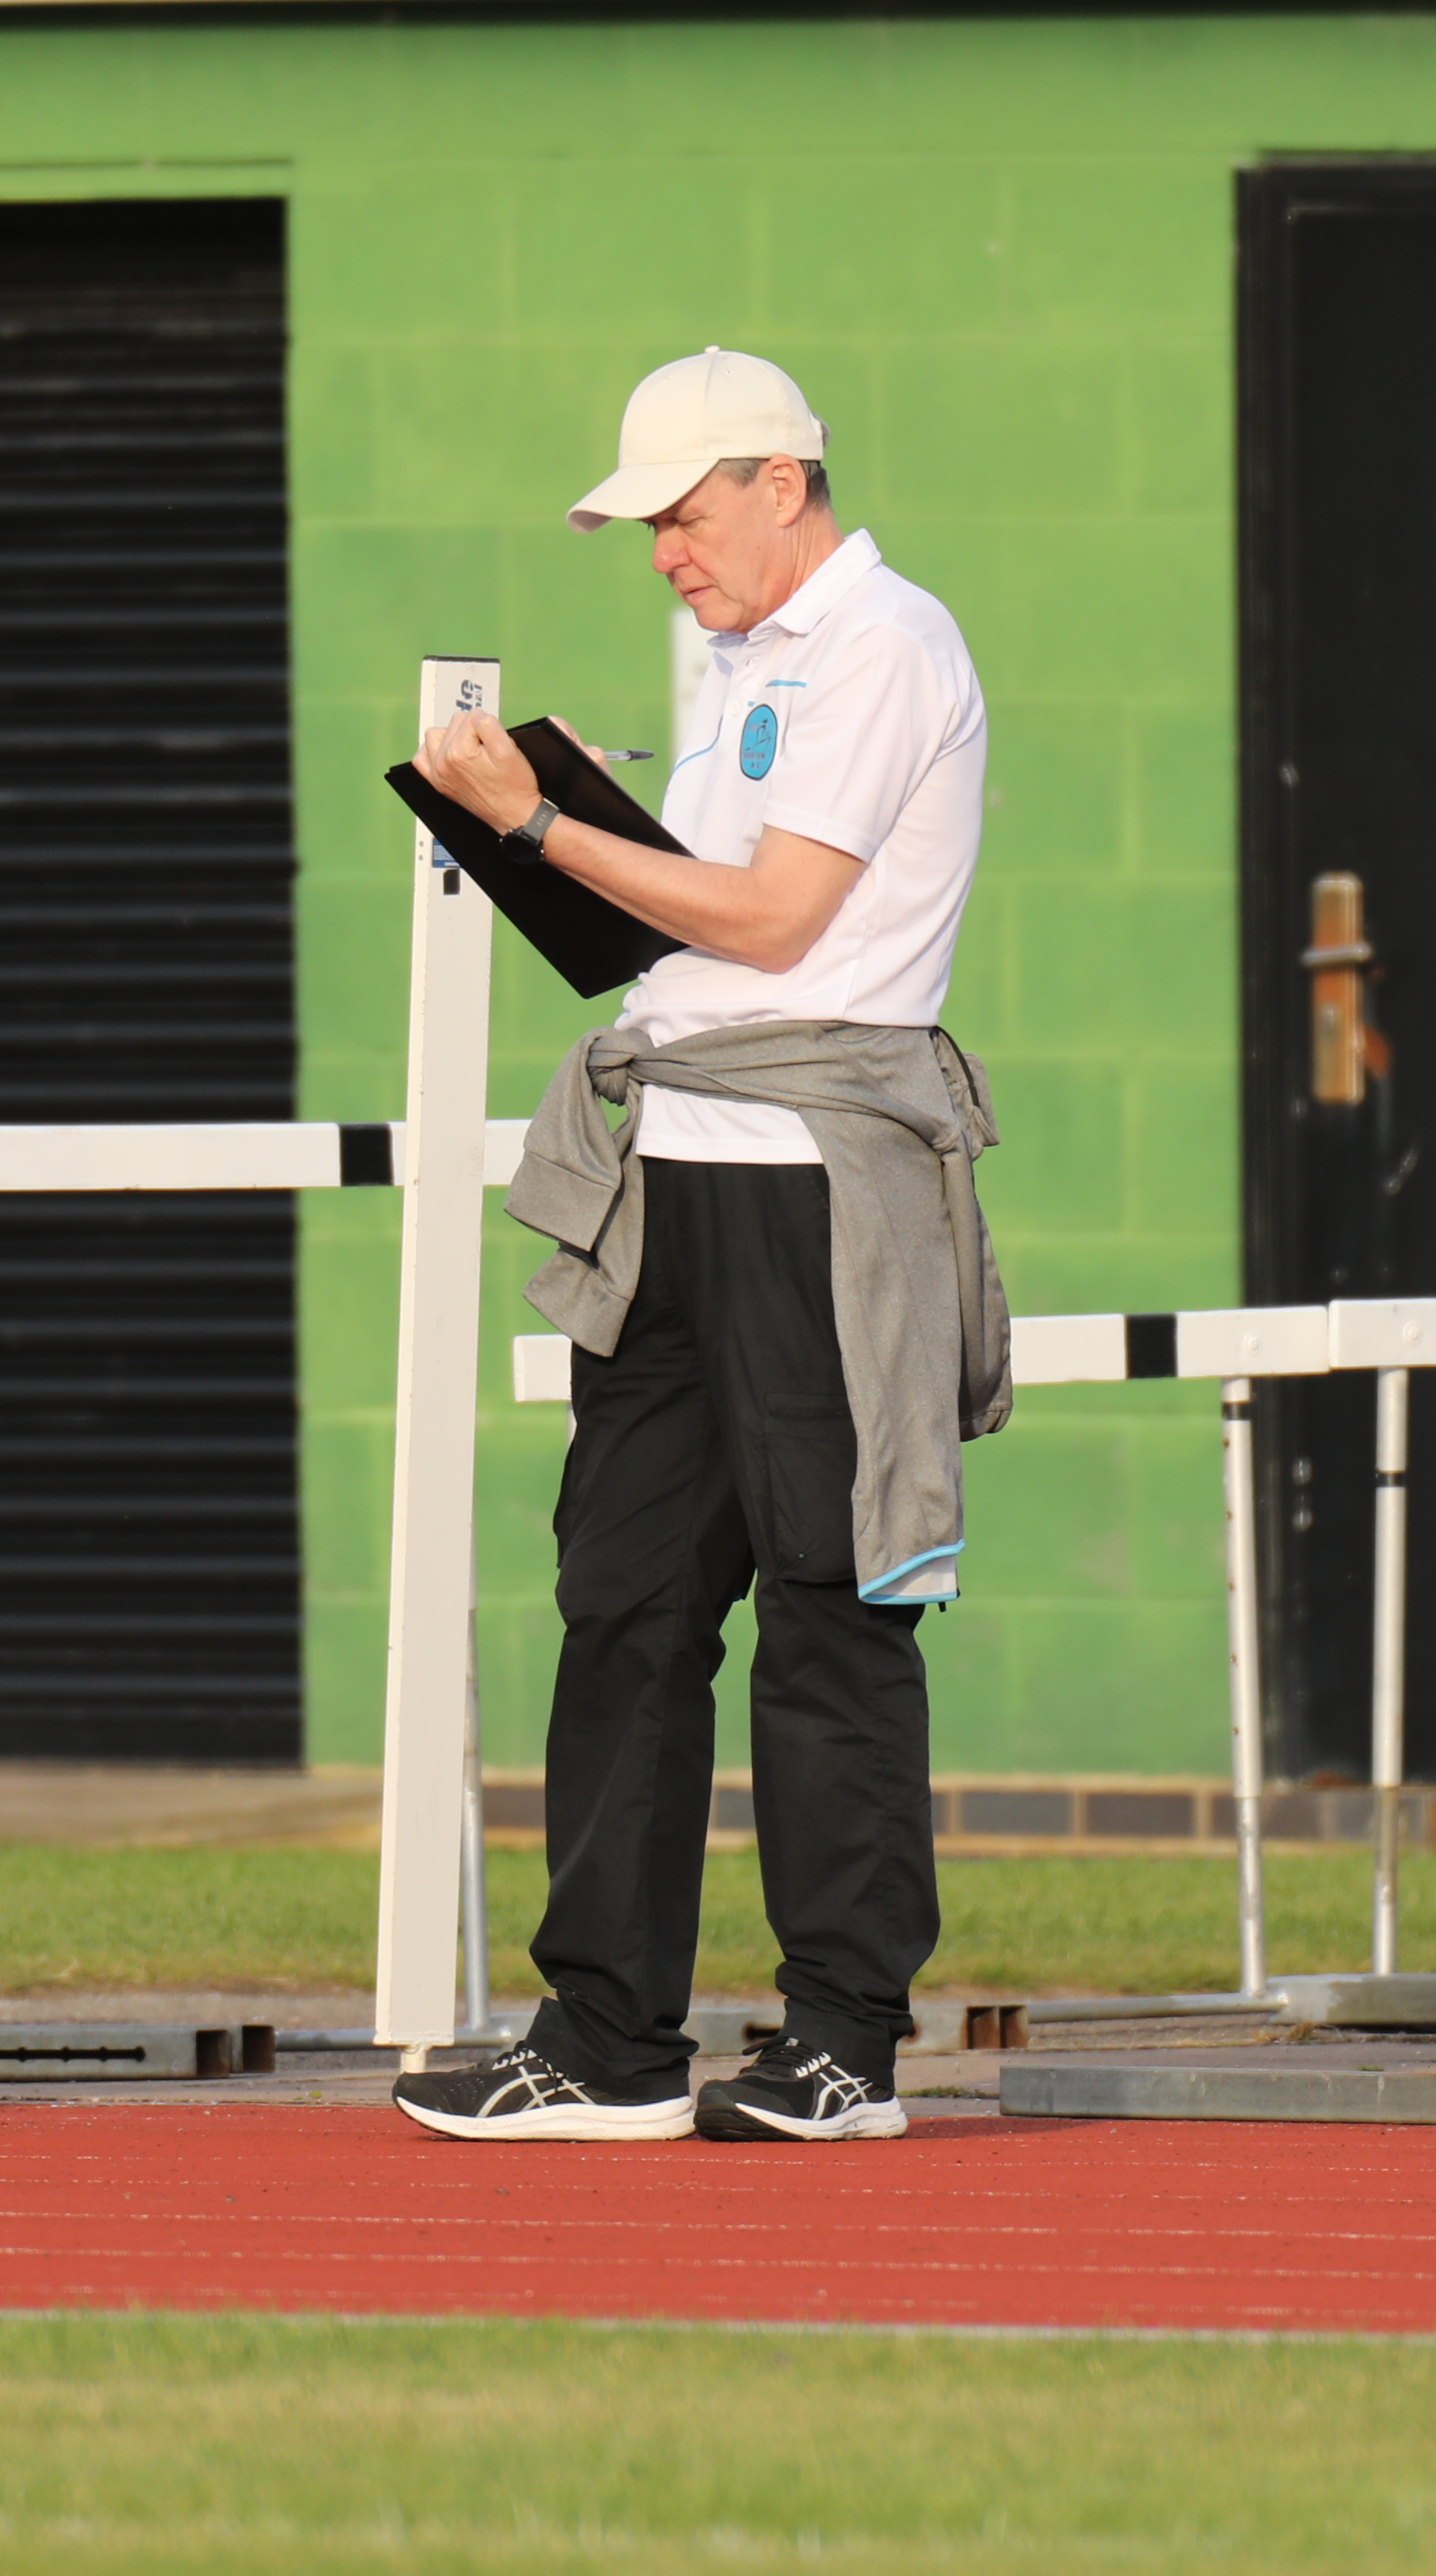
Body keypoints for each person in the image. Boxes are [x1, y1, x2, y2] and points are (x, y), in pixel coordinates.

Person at [391, 346, 1006, 2146]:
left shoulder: (888, 642)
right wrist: (550, 834)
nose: (662, 548)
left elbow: (774, 915)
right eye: (648, 521)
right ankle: (605, 2034)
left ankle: (839, 2039)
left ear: (777, 478)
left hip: (818, 1178)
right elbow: (692, 932)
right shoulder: (744, 655)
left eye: (678, 510)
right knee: (628, 1600)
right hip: (678, 1155)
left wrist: (541, 822)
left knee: (833, 1601)